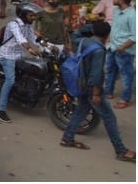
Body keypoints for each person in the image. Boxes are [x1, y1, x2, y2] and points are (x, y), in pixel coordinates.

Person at [59, 21, 137, 162]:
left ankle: (67, 138)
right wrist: (96, 94)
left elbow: (75, 34)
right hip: (92, 88)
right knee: (109, 118)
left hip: (82, 83)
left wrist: (89, 26)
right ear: (107, 35)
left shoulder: (83, 41)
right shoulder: (99, 50)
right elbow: (96, 75)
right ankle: (121, 151)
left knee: (81, 111)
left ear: (93, 31)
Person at [0, 3, 42, 124]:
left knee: (30, 73)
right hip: (7, 55)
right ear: (23, 15)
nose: (33, 18)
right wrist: (30, 49)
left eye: (34, 15)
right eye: (31, 15)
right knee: (10, 80)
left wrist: (47, 46)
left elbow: (33, 38)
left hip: (19, 55)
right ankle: (0, 109)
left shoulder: (28, 25)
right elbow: (20, 39)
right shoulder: (13, 24)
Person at [104, 0, 134, 109]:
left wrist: (123, 47)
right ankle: (108, 92)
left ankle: (125, 99)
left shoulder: (132, 15)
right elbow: (114, 27)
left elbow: (135, 36)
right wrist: (108, 38)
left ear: (122, 1)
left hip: (124, 50)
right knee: (110, 70)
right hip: (112, 47)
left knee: (126, 75)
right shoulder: (116, 10)